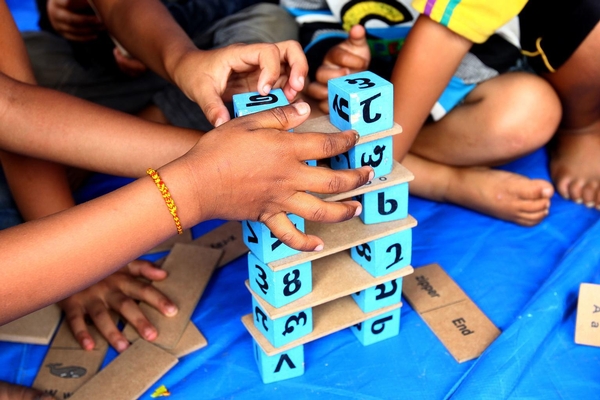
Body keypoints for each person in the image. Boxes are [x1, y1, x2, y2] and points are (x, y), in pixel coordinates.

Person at [4, 0, 306, 353]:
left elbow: (13, 106)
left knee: (267, 27)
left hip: (165, 60)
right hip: (90, 77)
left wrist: (185, 65)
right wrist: (197, 185)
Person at [288, 0, 563, 226]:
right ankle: (442, 181)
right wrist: (333, 59)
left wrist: (399, 119)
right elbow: (310, 14)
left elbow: (491, 39)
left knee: (530, 112)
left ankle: (420, 174)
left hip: (456, 89)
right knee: (276, 103)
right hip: (357, 94)